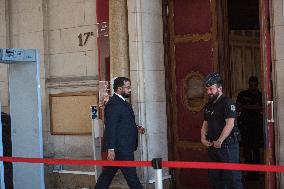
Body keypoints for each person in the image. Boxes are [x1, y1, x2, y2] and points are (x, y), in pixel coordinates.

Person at [95, 77, 144, 189]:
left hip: (121, 147)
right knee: (133, 179)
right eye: (127, 87)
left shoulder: (122, 102)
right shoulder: (114, 103)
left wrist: (136, 128)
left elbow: (122, 123)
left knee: (106, 176)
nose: (130, 90)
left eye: (129, 87)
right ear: (119, 88)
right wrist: (111, 149)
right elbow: (111, 127)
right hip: (121, 149)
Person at [201, 72, 243, 189]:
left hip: (227, 146)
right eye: (207, 89)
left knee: (233, 179)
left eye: (211, 89)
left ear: (219, 88)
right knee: (215, 179)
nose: (208, 92)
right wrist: (203, 138)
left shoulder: (227, 103)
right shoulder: (209, 105)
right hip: (213, 146)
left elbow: (230, 124)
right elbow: (205, 123)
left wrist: (220, 140)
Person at [236, 77, 263, 168]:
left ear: (257, 85)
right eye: (251, 84)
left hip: (257, 126)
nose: (253, 87)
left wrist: (247, 107)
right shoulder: (243, 94)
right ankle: (249, 171)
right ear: (248, 84)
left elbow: (263, 108)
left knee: (256, 149)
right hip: (245, 126)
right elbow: (238, 107)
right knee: (246, 149)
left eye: (254, 85)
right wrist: (251, 107)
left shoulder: (260, 95)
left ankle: (256, 172)